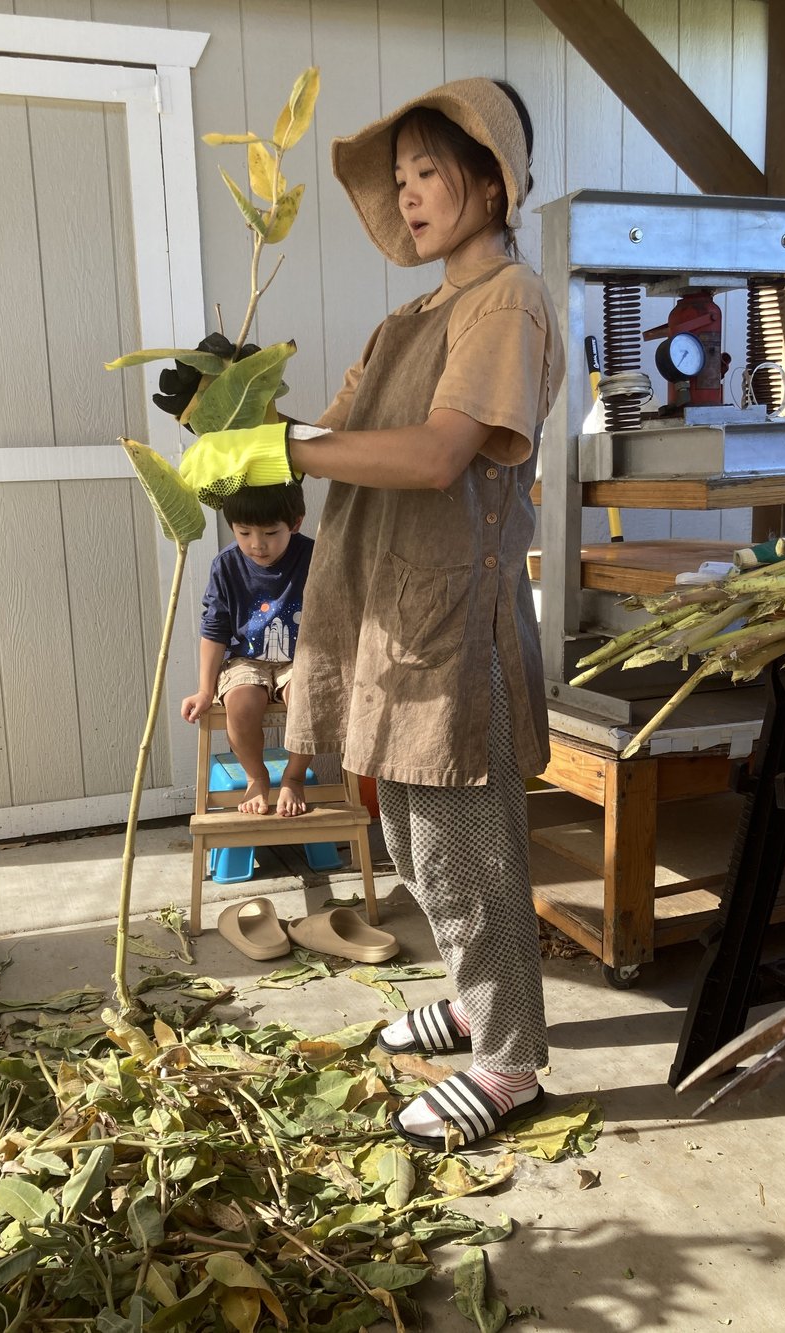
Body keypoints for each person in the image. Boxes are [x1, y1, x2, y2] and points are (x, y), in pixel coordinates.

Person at [180, 78, 564, 1151]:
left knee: (465, 849)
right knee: (405, 831)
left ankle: (509, 1061)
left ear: (493, 180)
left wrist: (286, 446)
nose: (407, 196)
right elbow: (337, 432)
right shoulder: (414, 313)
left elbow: (441, 453)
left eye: (428, 172)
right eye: (398, 181)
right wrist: (236, 411)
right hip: (389, 618)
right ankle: (474, 994)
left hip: (451, 627)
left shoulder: (507, 301)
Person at [181, 481, 313, 818]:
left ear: (295, 523)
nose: (257, 544)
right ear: (232, 527)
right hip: (244, 659)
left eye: (270, 532)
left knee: (310, 697)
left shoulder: (314, 556)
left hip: (301, 656)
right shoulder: (226, 566)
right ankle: (257, 776)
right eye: (244, 533)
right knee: (241, 705)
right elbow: (214, 629)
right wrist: (203, 690)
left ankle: (293, 776)